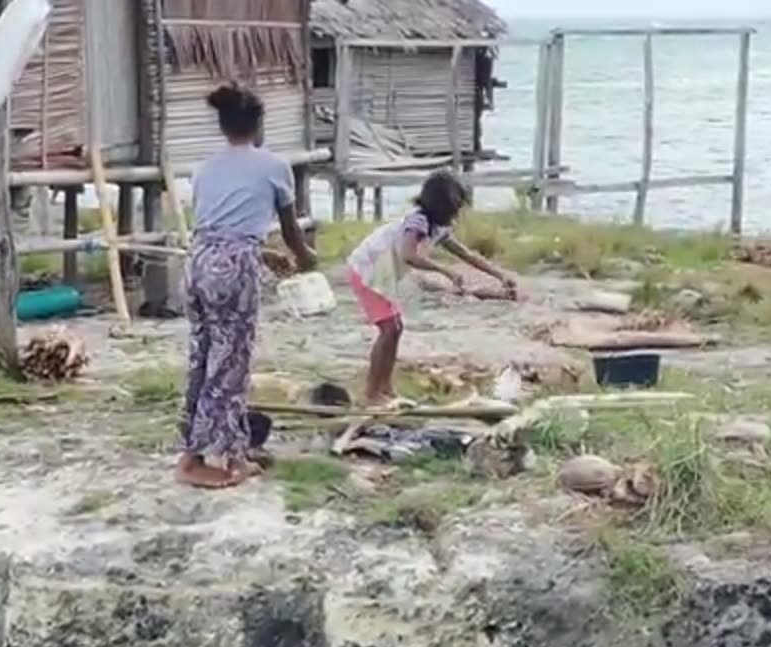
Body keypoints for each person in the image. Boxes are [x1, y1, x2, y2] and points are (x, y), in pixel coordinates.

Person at [178, 82, 316, 490]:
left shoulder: (203, 168)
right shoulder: (274, 165)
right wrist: (306, 259)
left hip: (199, 262)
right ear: (258, 126)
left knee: (204, 358)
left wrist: (263, 254)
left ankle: (232, 450)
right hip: (233, 270)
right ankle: (193, 460)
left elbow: (221, 227)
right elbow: (291, 233)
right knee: (230, 365)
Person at [347, 170, 520, 408]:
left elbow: (466, 254)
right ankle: (371, 393)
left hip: (383, 274)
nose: (457, 214)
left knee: (395, 328)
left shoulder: (438, 229)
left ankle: (385, 387)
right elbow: (409, 255)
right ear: (441, 207)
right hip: (367, 270)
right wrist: (445, 271)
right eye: (454, 208)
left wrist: (501, 275)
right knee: (389, 329)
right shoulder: (417, 221)